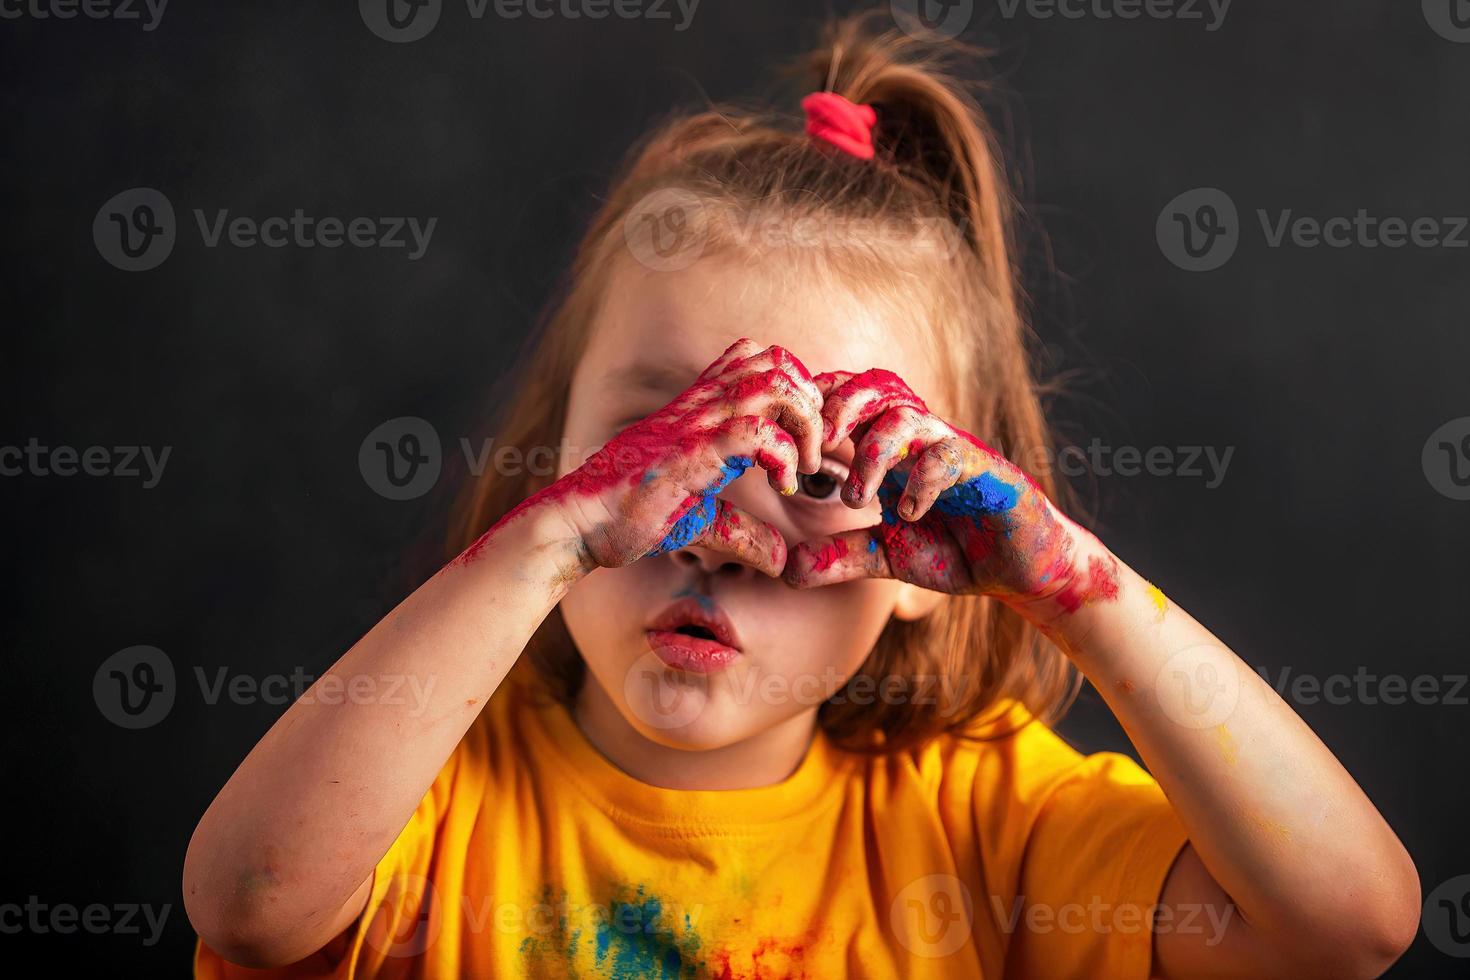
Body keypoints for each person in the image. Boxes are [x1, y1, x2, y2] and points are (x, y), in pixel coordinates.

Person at [184, 12, 1419, 978]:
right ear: (552, 467)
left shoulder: (982, 825)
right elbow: (250, 900)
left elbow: (1352, 922)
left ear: (942, 554)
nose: (714, 527)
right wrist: (549, 546)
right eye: (657, 441)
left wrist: (1069, 584)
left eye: (824, 471)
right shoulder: (425, 784)